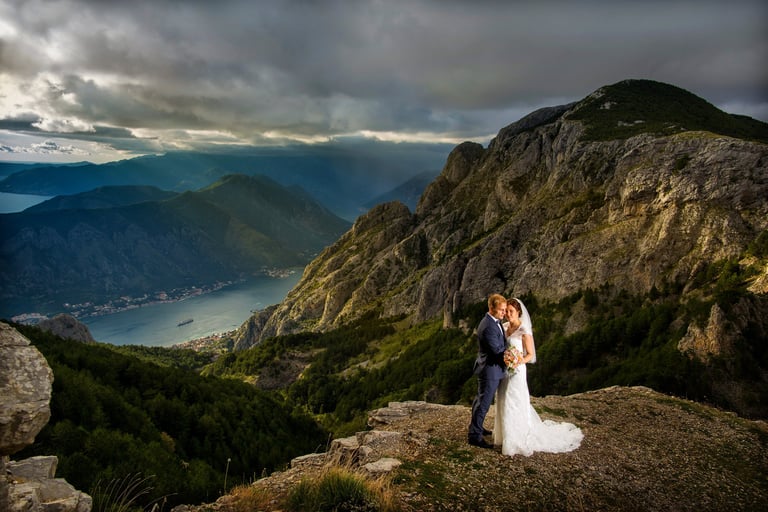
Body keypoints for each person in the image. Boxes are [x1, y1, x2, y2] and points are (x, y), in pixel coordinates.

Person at [493, 298, 583, 456]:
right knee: (503, 400)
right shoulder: (504, 326)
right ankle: (503, 436)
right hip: (505, 371)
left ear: (519, 312)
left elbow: (531, 355)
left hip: (517, 372)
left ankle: (516, 438)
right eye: (506, 311)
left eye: (511, 311)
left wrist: (518, 361)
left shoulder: (524, 330)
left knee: (515, 401)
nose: (507, 314)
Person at [468, 293, 508, 449]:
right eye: (501, 310)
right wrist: (512, 356)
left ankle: (476, 428)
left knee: (480, 401)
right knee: (483, 404)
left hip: (489, 368)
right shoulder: (488, 327)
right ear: (491, 308)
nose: (504, 313)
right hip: (490, 370)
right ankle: (474, 437)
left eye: (505, 310)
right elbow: (497, 351)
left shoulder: (493, 322)